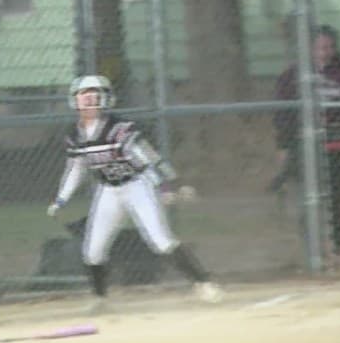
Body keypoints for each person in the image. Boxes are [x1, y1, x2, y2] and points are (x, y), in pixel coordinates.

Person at [47, 75, 223, 311]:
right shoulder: (75, 133)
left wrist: (164, 186)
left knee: (161, 241)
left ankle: (204, 282)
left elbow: (148, 160)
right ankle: (100, 299)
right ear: (74, 99)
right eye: (83, 93)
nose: (88, 98)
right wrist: (61, 198)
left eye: (94, 93)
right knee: (93, 251)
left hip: (136, 185)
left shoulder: (120, 129)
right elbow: (76, 168)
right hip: (108, 190)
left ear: (105, 98)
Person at [272, 25, 340, 261]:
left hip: (335, 140)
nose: (325, 52)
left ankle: (337, 249)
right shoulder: (292, 75)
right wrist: (283, 146)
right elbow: (282, 115)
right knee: (307, 198)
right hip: (302, 142)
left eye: (329, 47)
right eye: (319, 47)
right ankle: (312, 251)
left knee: (335, 197)